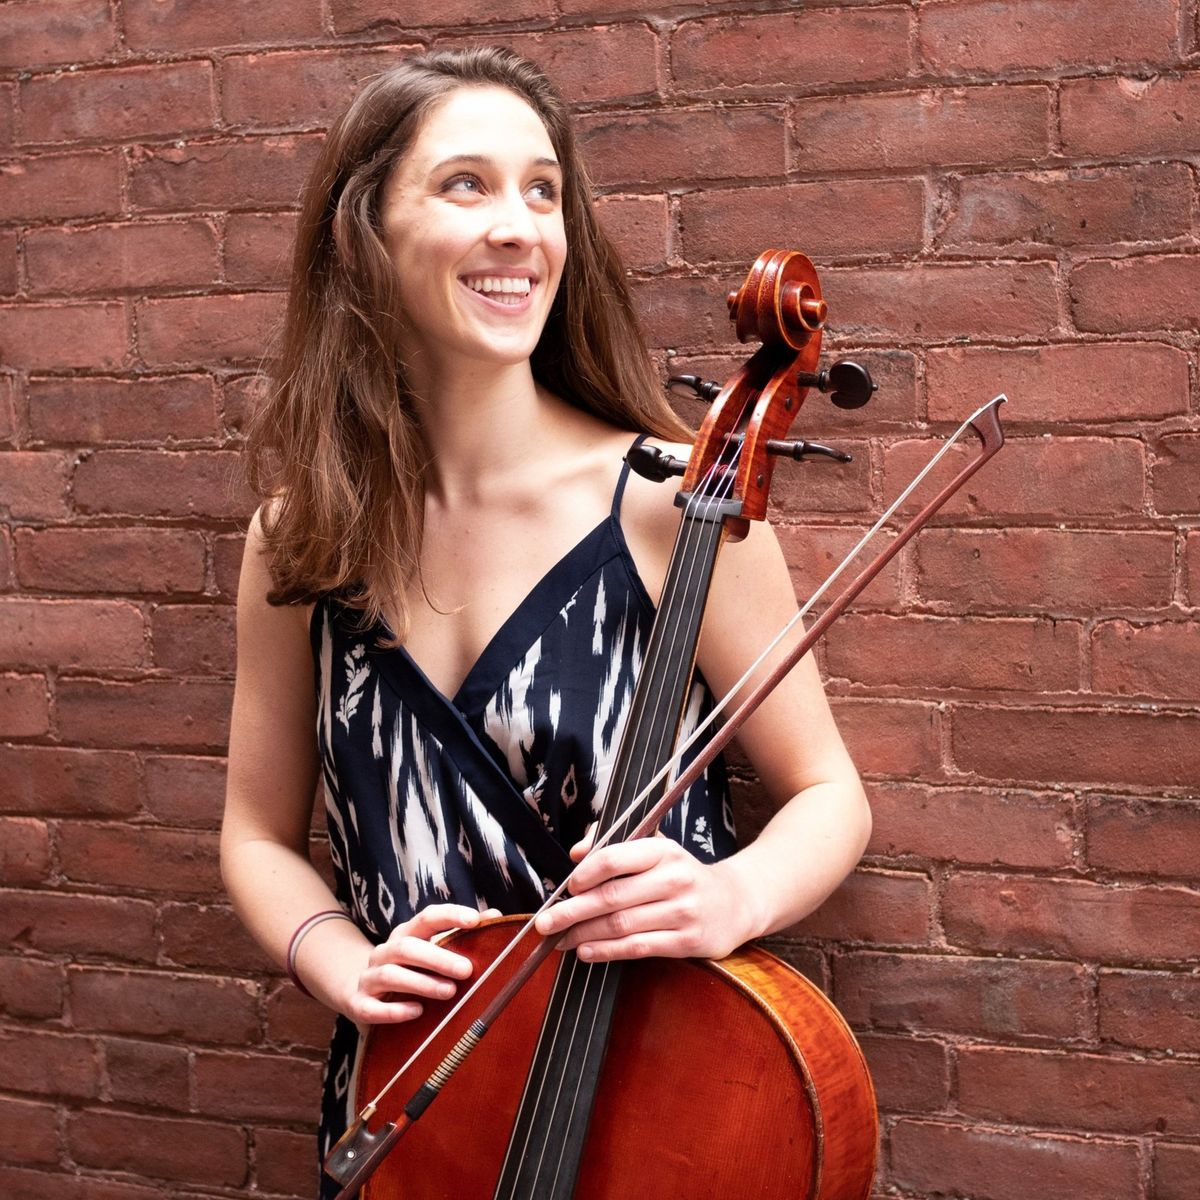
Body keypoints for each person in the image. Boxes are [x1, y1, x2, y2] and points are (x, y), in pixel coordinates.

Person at [221, 45, 870, 1195]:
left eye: (542, 189)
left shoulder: (673, 503)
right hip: (416, 1117)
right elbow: (257, 834)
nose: (520, 226)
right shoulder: (302, 535)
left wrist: (736, 895)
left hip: (652, 1109)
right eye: (465, 184)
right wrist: (339, 961)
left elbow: (829, 794)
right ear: (360, 230)